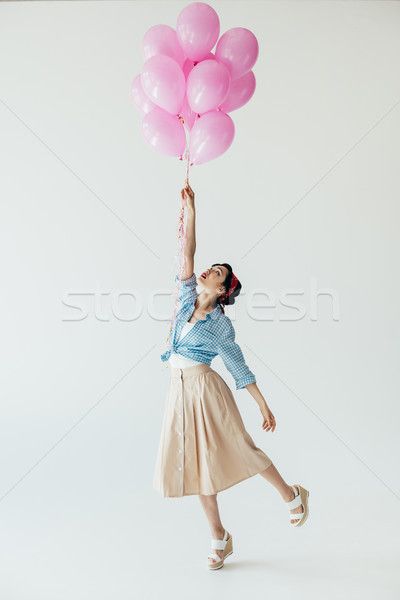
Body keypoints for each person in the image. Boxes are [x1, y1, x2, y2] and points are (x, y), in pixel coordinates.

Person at [153, 183, 310, 570]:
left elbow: (239, 367)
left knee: (241, 447)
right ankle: (219, 538)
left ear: (222, 290)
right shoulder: (187, 294)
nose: (208, 270)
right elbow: (187, 250)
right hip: (179, 391)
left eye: (216, 273)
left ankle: (292, 495)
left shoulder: (220, 326)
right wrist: (192, 209)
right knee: (196, 468)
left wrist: (263, 404)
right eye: (211, 268)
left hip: (207, 391)